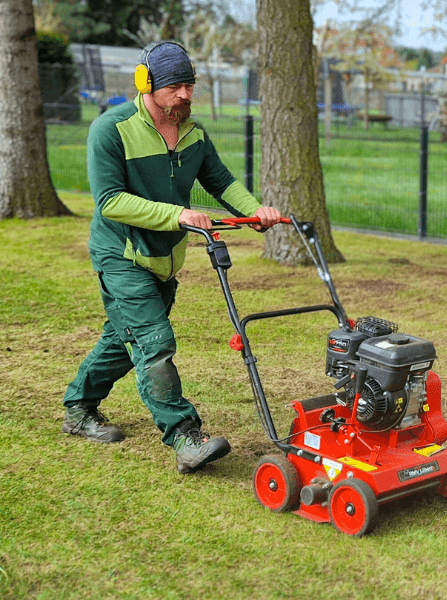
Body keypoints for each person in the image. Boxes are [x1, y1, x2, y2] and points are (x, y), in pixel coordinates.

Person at [61, 41, 281, 474]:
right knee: (154, 341)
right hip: (121, 254)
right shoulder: (111, 129)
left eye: (189, 85)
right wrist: (177, 214)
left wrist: (255, 211)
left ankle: (78, 407)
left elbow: (221, 181)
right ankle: (184, 436)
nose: (184, 94)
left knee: (124, 339)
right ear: (146, 83)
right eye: (174, 87)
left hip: (165, 258)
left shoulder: (194, 134)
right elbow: (110, 201)